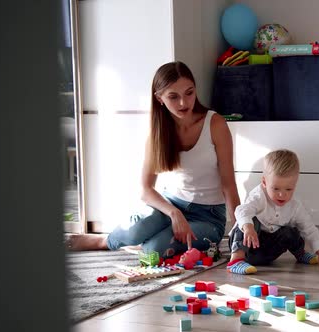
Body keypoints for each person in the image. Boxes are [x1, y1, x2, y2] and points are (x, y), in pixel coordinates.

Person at [66, 61, 241, 258]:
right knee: (138, 227)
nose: (183, 103)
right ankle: (104, 241)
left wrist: (239, 234)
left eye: (189, 93)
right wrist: (174, 213)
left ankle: (150, 241)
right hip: (172, 204)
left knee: (154, 251)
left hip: (209, 216)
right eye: (173, 97)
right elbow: (146, 189)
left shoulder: (215, 124)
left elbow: (229, 185)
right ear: (159, 98)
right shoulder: (159, 132)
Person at [227, 149, 319, 274]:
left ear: (295, 184)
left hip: (268, 253)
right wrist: (248, 227)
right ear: (264, 182)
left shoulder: (295, 206)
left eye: (289, 189)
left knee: (290, 231)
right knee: (249, 220)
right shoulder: (258, 196)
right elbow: (241, 210)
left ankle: (301, 254)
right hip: (248, 247)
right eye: (275, 188)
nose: (282, 194)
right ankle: (235, 261)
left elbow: (309, 229)